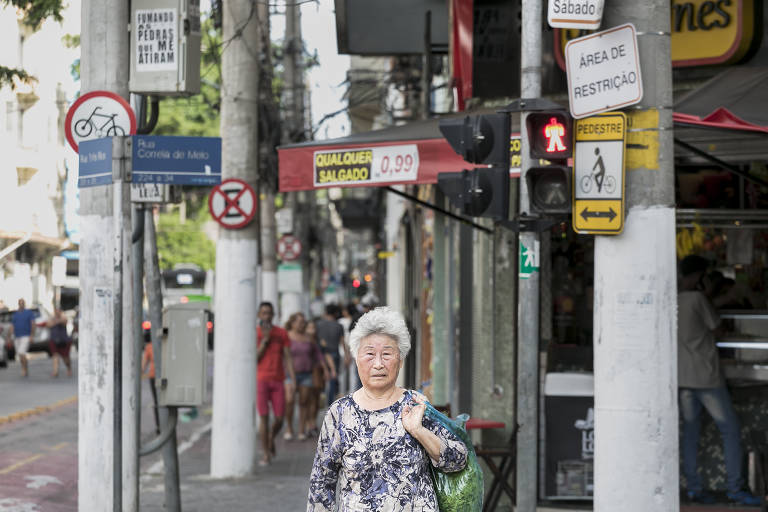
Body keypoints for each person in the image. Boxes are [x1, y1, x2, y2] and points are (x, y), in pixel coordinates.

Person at [307, 306, 467, 510]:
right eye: (370, 354)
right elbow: (321, 485)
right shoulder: (340, 412)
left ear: (400, 361)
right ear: (356, 359)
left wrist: (419, 431)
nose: (378, 364)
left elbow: (457, 460)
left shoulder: (415, 404)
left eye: (387, 354)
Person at [677, 255, 761, 506]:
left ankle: (693, 488)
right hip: (707, 378)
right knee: (730, 430)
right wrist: (716, 296)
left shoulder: (673, 299)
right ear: (699, 276)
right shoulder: (698, 299)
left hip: (684, 377)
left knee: (690, 434)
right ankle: (735, 488)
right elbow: (718, 329)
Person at [256, 301, 295, 466]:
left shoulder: (281, 333)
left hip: (278, 380)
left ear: (274, 315)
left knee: (280, 418)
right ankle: (266, 453)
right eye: (263, 313)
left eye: (269, 313)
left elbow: (287, 357)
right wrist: (265, 340)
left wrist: (292, 379)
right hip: (261, 380)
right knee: (263, 418)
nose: (267, 316)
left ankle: (271, 436)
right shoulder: (255, 333)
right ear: (259, 315)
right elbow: (255, 359)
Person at [283, 313, 331, 441]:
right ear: (292, 323)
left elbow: (318, 354)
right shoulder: (286, 336)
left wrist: (325, 369)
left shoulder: (308, 338)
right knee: (289, 401)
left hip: (306, 374)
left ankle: (301, 430)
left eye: (303, 322)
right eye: (299, 322)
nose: (302, 324)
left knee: (304, 402)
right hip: (289, 373)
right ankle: (288, 427)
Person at [316, 304, 349, 406]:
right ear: (336, 313)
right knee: (333, 378)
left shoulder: (319, 324)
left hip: (321, 353)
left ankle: (320, 397)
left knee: (320, 376)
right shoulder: (339, 326)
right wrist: (347, 356)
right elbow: (342, 342)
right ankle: (330, 402)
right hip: (334, 353)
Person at [307, 318, 334, 436]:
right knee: (307, 398)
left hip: (317, 372)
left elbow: (326, 355)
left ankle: (312, 422)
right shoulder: (303, 341)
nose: (311, 331)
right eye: (309, 328)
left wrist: (331, 369)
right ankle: (308, 424)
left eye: (313, 328)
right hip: (306, 372)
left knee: (316, 398)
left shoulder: (320, 342)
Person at [10, 299, 36, 377]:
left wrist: (31, 335)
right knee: (20, 355)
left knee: (22, 352)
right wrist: (10, 336)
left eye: (22, 303)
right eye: (20, 303)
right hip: (17, 336)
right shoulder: (15, 314)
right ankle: (24, 367)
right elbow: (12, 326)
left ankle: (24, 369)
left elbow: (33, 324)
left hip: (26, 336)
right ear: (18, 304)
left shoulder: (29, 313)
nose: (21, 304)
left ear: (24, 304)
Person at [47, 307, 72, 377]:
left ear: (60, 312)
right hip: (54, 340)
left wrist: (56, 321)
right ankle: (55, 372)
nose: (57, 313)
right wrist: (55, 321)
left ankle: (69, 368)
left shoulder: (63, 317)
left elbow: (64, 321)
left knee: (65, 358)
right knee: (55, 355)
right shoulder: (51, 318)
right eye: (56, 311)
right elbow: (48, 324)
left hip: (64, 341)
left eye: (58, 311)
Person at [142, 338, 160, 434]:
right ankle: (163, 423)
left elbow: (144, 365)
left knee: (157, 402)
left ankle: (159, 425)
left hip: (153, 376)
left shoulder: (149, 347)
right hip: (162, 376)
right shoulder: (163, 344)